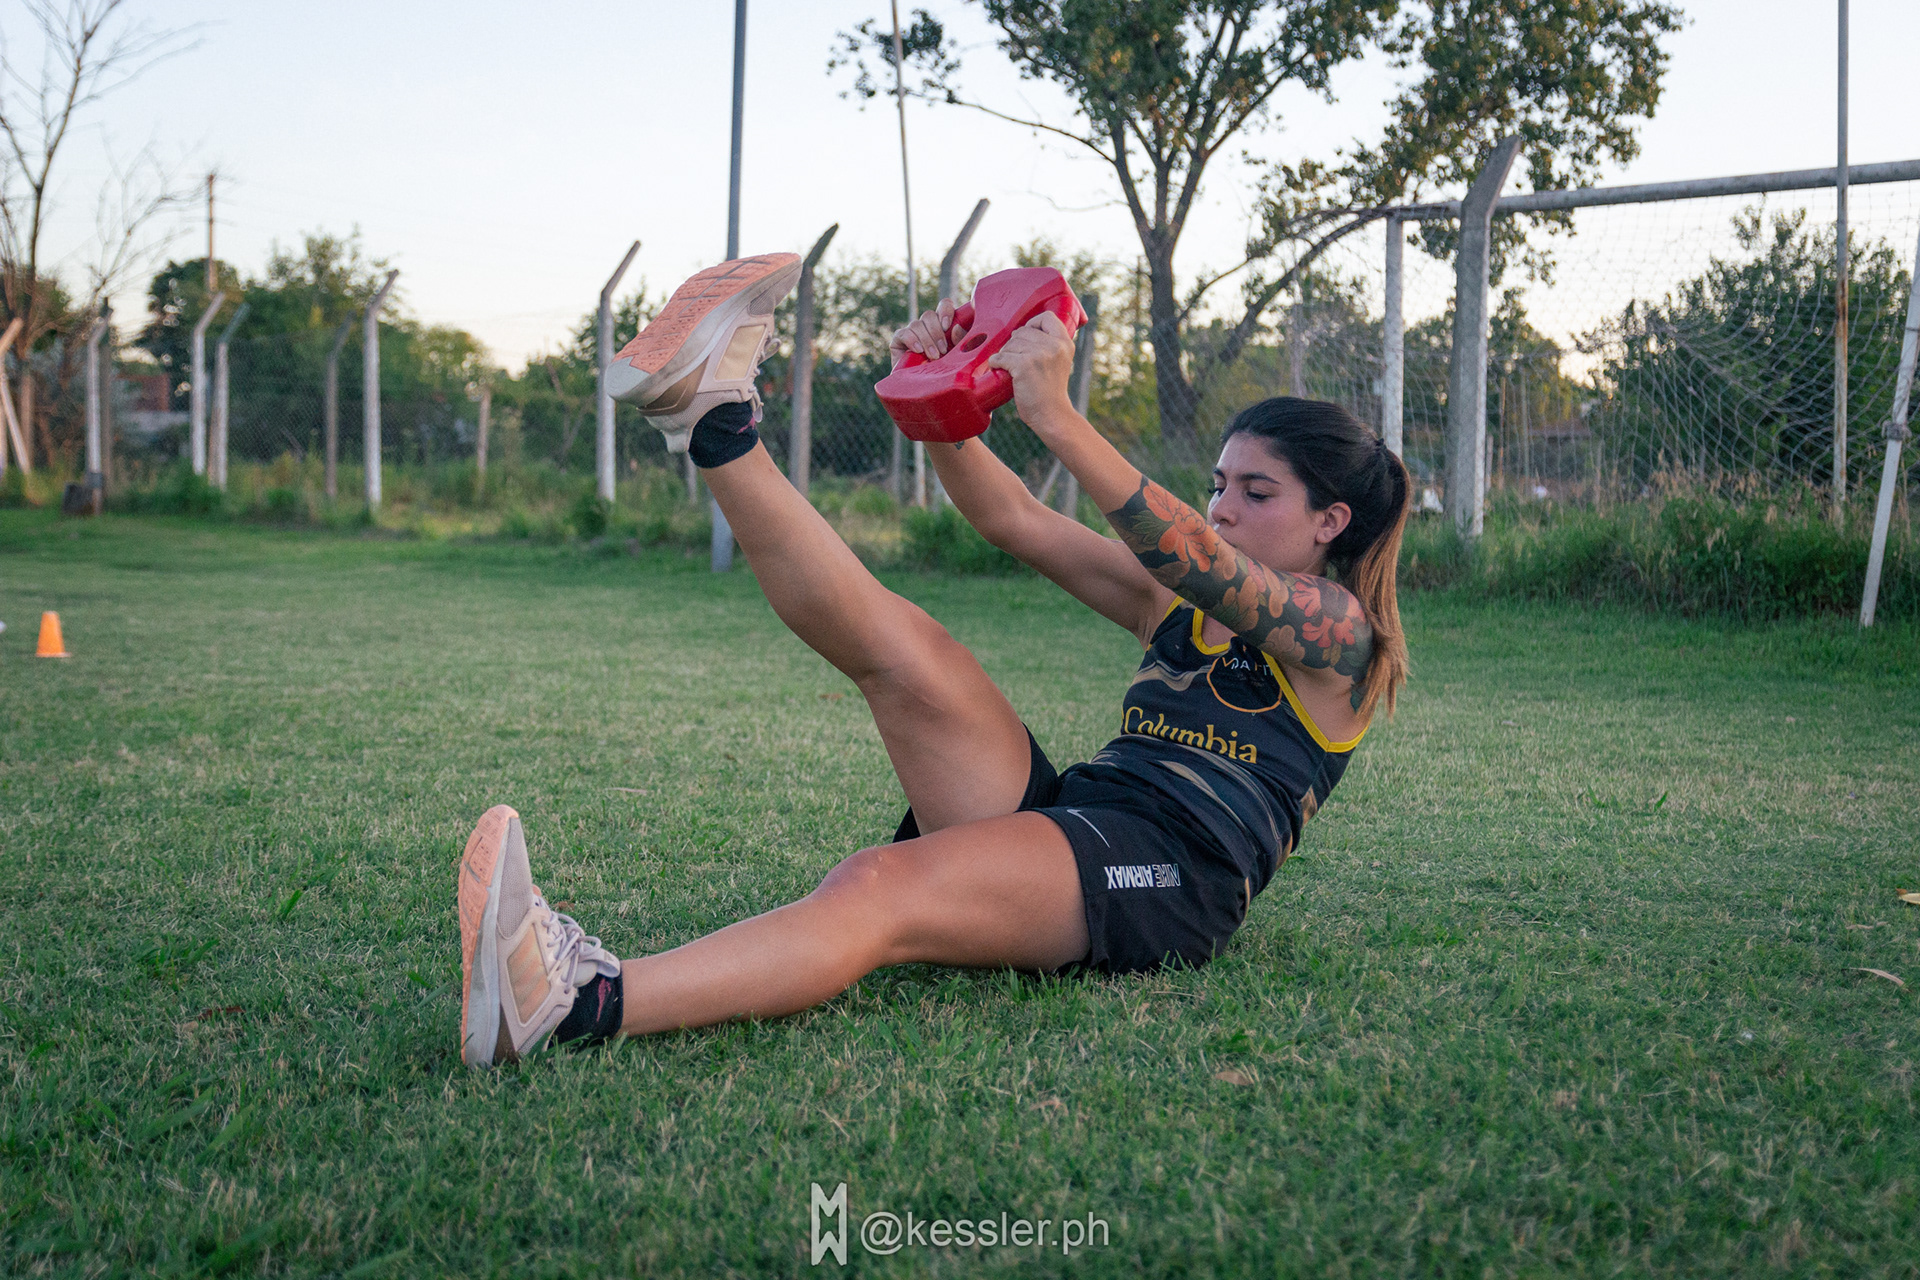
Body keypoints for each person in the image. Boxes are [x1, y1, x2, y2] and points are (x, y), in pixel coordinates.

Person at [456, 253, 1412, 1068]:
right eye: (1219, 485)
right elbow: (1010, 518)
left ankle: (576, 1001)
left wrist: (1059, 415)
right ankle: (713, 419)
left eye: (1257, 492)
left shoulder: (1340, 640)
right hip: (1081, 817)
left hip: (1169, 880)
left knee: (878, 885)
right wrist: (942, 390)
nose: (1224, 508)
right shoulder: (1176, 598)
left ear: (1331, 521)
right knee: (906, 649)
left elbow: (1201, 563)